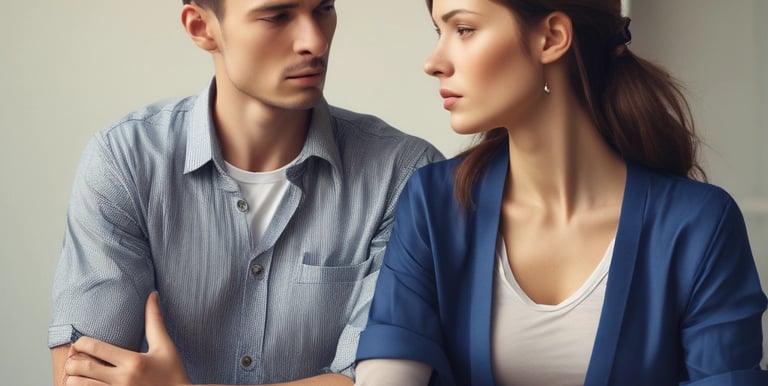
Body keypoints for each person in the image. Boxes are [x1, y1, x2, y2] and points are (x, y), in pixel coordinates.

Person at [354, 0, 768, 385]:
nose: (434, 62)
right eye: (437, 32)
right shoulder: (434, 203)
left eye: (463, 29)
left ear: (551, 37)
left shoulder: (699, 225)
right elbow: (391, 364)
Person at [48, 0, 443, 385]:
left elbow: (381, 378)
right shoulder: (126, 161)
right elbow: (85, 373)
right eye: (277, 15)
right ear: (202, 27)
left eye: (324, 9)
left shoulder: (404, 173)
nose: (315, 42)